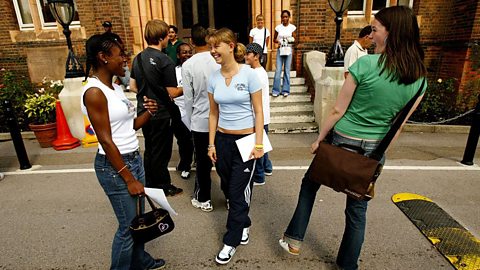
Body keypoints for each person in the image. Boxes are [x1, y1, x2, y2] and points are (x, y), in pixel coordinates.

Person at [279, 6, 427, 270]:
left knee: (310, 184)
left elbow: (338, 109)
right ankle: (347, 266)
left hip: (342, 140)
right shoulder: (419, 79)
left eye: (375, 29)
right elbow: (398, 126)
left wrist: (319, 139)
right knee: (357, 209)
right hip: (373, 149)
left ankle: (294, 239)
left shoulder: (366, 64)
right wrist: (377, 158)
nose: (371, 35)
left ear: (391, 34)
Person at [81, 33, 165, 270]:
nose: (125, 59)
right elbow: (106, 141)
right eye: (120, 54)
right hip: (115, 167)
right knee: (127, 229)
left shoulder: (115, 87)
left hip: (133, 159)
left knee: (137, 223)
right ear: (103, 57)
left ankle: (141, 262)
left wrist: (148, 113)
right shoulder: (95, 92)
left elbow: (128, 127)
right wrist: (129, 178)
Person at [206, 28, 264, 265]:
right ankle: (244, 223)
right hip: (222, 140)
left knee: (237, 192)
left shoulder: (250, 75)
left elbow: (259, 112)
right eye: (210, 47)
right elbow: (213, 113)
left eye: (216, 46)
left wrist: (259, 143)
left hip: (246, 140)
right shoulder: (213, 78)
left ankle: (231, 241)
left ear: (230, 46)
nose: (212, 51)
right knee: (228, 187)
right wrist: (211, 144)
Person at [130, 19, 184, 196]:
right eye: (167, 35)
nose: (169, 38)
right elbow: (173, 92)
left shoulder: (137, 58)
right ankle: (162, 185)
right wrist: (189, 87)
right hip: (161, 112)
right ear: (162, 37)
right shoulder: (165, 60)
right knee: (162, 151)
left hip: (143, 111)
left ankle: (149, 182)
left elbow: (133, 86)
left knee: (151, 148)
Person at [182, 24, 220, 212]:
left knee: (203, 164)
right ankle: (230, 197)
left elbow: (188, 98)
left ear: (191, 41)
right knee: (225, 161)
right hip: (222, 120)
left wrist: (189, 120)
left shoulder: (188, 64)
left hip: (200, 118)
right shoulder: (218, 60)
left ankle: (204, 198)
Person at [245, 42, 273, 185]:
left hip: (258, 116)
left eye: (248, 54)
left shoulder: (255, 74)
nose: (245, 56)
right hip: (263, 115)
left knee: (259, 146)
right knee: (263, 143)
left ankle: (259, 176)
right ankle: (268, 167)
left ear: (256, 56)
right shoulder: (260, 72)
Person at [172, 42, 195, 179]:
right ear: (178, 55)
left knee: (193, 140)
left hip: (193, 110)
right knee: (182, 140)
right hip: (178, 110)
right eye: (184, 52)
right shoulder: (173, 71)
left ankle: (191, 163)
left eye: (189, 52)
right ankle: (184, 163)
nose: (187, 54)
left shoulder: (195, 68)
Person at [272, 10, 296, 97]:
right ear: (281, 18)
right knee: (278, 70)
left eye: (286, 16)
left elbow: (295, 39)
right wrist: (278, 41)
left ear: (289, 17)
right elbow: (274, 39)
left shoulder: (292, 27)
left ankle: (285, 90)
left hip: (288, 50)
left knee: (286, 70)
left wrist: (290, 40)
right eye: (283, 17)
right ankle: (275, 90)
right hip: (280, 50)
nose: (284, 18)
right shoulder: (278, 28)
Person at [102, 20, 131, 90]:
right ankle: (125, 84)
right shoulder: (102, 37)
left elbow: (121, 45)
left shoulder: (115, 36)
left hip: (117, 56)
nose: (106, 28)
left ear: (110, 27)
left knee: (124, 68)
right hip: (108, 57)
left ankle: (127, 83)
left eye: (107, 27)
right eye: (105, 27)